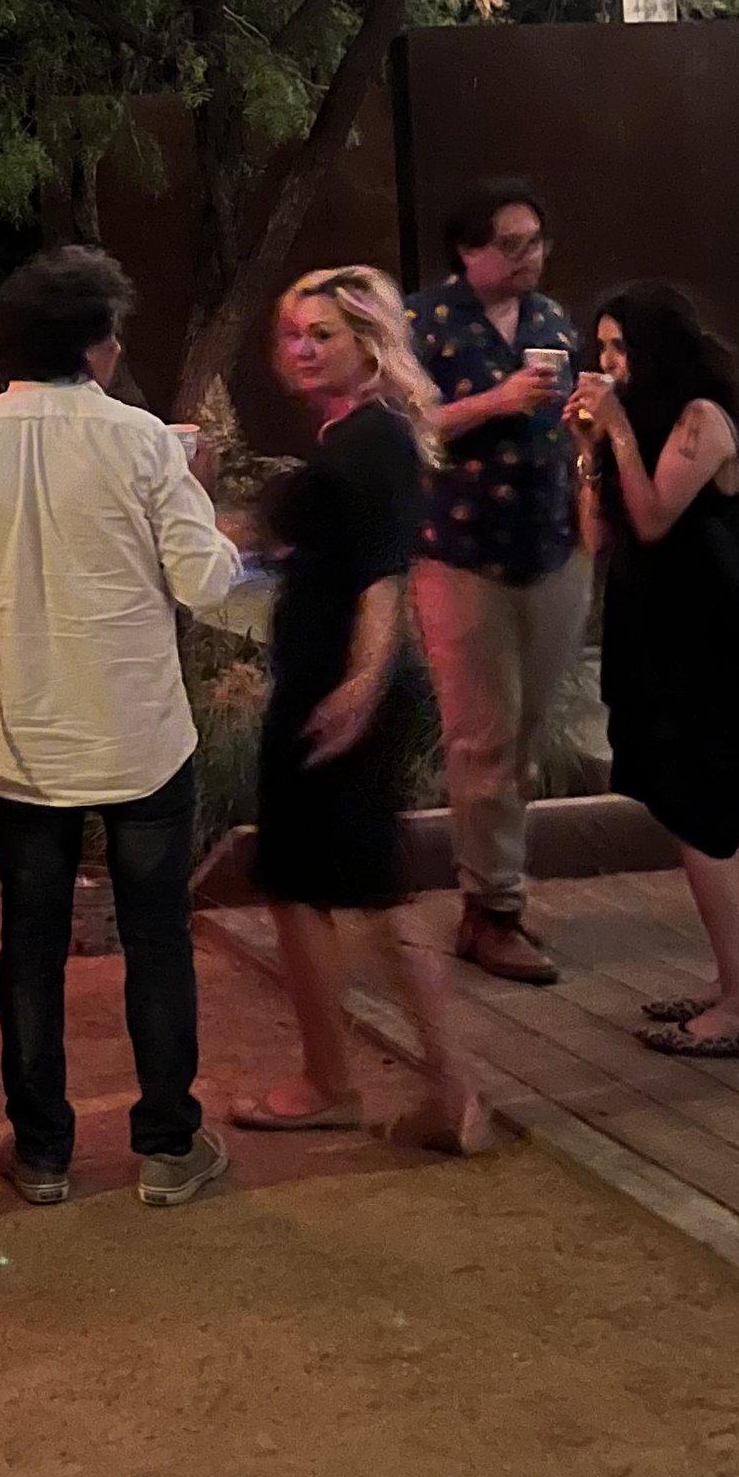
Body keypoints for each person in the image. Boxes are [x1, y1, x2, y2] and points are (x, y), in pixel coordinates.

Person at [0, 246, 240, 1211]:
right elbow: (208, 583)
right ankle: (167, 1145)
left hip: (27, 738)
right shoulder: (145, 441)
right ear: (98, 346)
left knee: (30, 943)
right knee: (157, 939)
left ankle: (44, 1152)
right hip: (142, 733)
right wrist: (211, 489)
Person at [237, 268, 491, 1154]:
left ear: (369, 345)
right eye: (293, 333)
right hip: (334, 682)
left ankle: (330, 1081)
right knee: (366, 888)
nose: (302, 349)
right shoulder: (360, 436)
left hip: (337, 688)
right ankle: (446, 1093)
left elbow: (384, 574)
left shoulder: (373, 441)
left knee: (308, 885)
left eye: (324, 334)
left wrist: (359, 683)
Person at [569, 286, 739, 1060]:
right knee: (690, 813)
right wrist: (589, 450)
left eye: (621, 349)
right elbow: (599, 538)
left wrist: (619, 430)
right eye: (602, 350)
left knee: (706, 818)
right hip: (652, 641)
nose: (608, 365)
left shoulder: (702, 419)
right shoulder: (645, 425)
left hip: (707, 649)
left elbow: (657, 516)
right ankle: (737, 981)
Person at [405, 179, 591, 983]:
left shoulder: (552, 320)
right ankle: (491, 908)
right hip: (461, 550)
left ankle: (498, 893)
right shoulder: (424, 322)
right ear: (467, 249)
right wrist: (494, 400)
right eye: (511, 243)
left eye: (537, 241)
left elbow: (564, 418)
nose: (529, 258)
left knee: (525, 736)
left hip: (551, 545)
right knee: (481, 733)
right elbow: (403, 424)